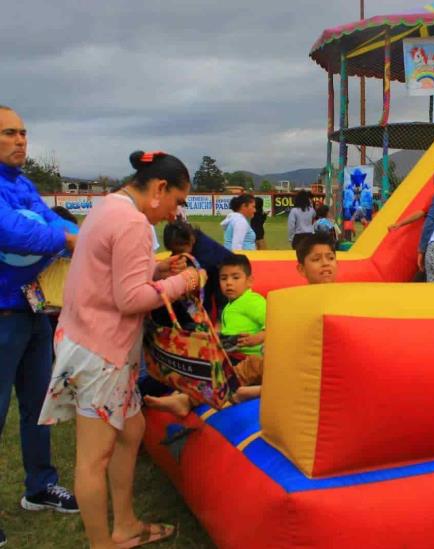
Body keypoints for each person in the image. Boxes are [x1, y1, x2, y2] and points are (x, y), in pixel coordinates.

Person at [37, 150, 200, 549]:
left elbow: (111, 270)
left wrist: (158, 269)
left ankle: (125, 524)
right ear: (159, 188)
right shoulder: (132, 222)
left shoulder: (110, 206)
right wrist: (185, 282)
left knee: (133, 430)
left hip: (97, 345)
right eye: (177, 202)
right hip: (101, 352)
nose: (175, 214)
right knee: (95, 458)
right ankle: (103, 542)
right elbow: (130, 298)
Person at [0, 106, 80, 548]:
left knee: (38, 406)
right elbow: (12, 232)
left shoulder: (22, 183)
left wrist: (68, 232)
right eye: (10, 133)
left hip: (31, 313)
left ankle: (39, 486)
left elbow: (49, 222)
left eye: (24, 133)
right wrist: (70, 239)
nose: (21, 141)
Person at [145, 254, 267, 417]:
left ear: (249, 281)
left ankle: (185, 399)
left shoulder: (253, 301)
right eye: (224, 278)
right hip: (230, 354)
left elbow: (275, 323)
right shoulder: (232, 305)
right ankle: (178, 394)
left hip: (243, 356)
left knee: (214, 375)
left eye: (235, 277)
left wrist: (258, 337)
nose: (229, 283)